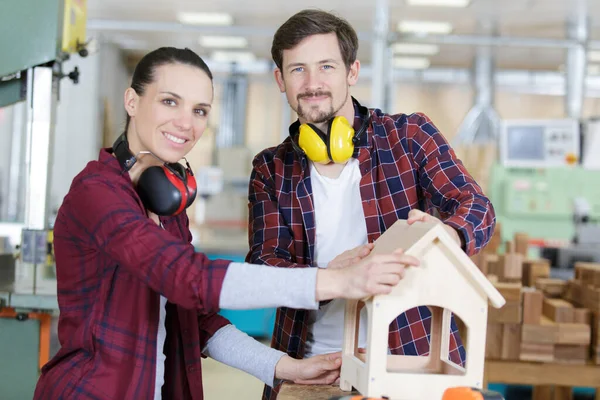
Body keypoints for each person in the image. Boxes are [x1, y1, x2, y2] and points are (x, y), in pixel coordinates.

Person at [32, 47, 418, 400]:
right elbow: (187, 277)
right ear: (132, 101)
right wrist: (337, 281)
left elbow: (196, 319)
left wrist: (285, 367)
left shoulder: (168, 208)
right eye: (170, 102)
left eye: (199, 110)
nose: (186, 123)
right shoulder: (97, 192)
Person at [247, 9, 496, 400]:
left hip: (410, 365)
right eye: (298, 70)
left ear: (352, 71)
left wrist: (445, 234)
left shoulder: (409, 136)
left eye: (326, 66)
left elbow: (477, 207)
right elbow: (263, 271)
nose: (313, 84)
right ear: (280, 79)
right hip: (312, 371)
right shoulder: (270, 168)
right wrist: (330, 277)